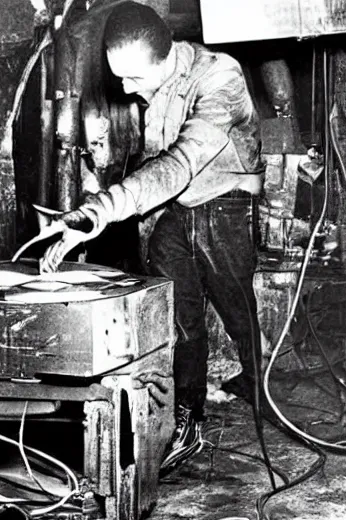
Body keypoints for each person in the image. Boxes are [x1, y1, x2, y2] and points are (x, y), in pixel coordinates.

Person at [35, 1, 265, 472]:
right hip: (180, 207)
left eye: (133, 78)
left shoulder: (220, 77)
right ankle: (188, 415)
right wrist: (90, 215)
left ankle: (264, 385)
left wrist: (103, 207)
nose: (124, 88)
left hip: (225, 202)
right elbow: (157, 170)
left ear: (164, 58)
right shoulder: (151, 84)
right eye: (119, 77)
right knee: (178, 312)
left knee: (237, 308)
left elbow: (178, 164)